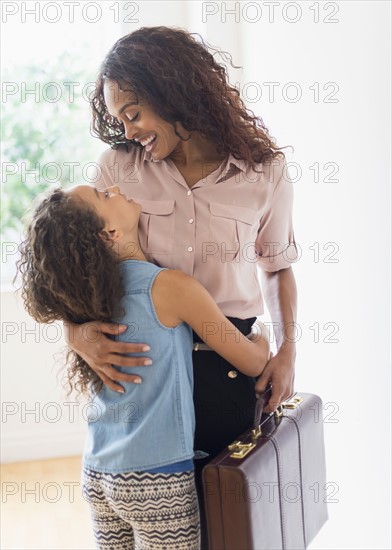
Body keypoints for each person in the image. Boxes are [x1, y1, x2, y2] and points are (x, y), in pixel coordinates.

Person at [66, 26, 299, 546]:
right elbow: (76, 259)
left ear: (173, 89)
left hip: (230, 369)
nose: (128, 131)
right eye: (119, 118)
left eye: (133, 113)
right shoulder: (118, 170)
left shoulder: (265, 171)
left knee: (229, 526)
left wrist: (285, 350)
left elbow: (277, 266)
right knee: (152, 517)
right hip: (144, 368)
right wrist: (74, 333)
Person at [17, 184, 270, 549]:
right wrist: (259, 331)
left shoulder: (87, 301)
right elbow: (254, 360)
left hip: (98, 469)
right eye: (105, 195)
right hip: (157, 478)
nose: (116, 188)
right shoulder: (170, 288)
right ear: (110, 234)